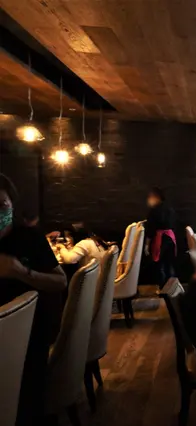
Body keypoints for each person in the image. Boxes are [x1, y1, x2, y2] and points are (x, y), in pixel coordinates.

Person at [0, 174, 67, 425]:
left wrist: (22, 272)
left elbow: (61, 281)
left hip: (30, 338)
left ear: (12, 205)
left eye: (1, 205)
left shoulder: (29, 238)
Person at [144, 187, 177, 287]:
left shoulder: (154, 210)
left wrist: (147, 245)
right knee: (169, 265)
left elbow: (150, 229)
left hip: (160, 239)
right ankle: (172, 289)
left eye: (150, 197)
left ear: (156, 197)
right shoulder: (170, 209)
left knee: (160, 265)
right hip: (171, 238)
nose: (149, 200)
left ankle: (163, 289)